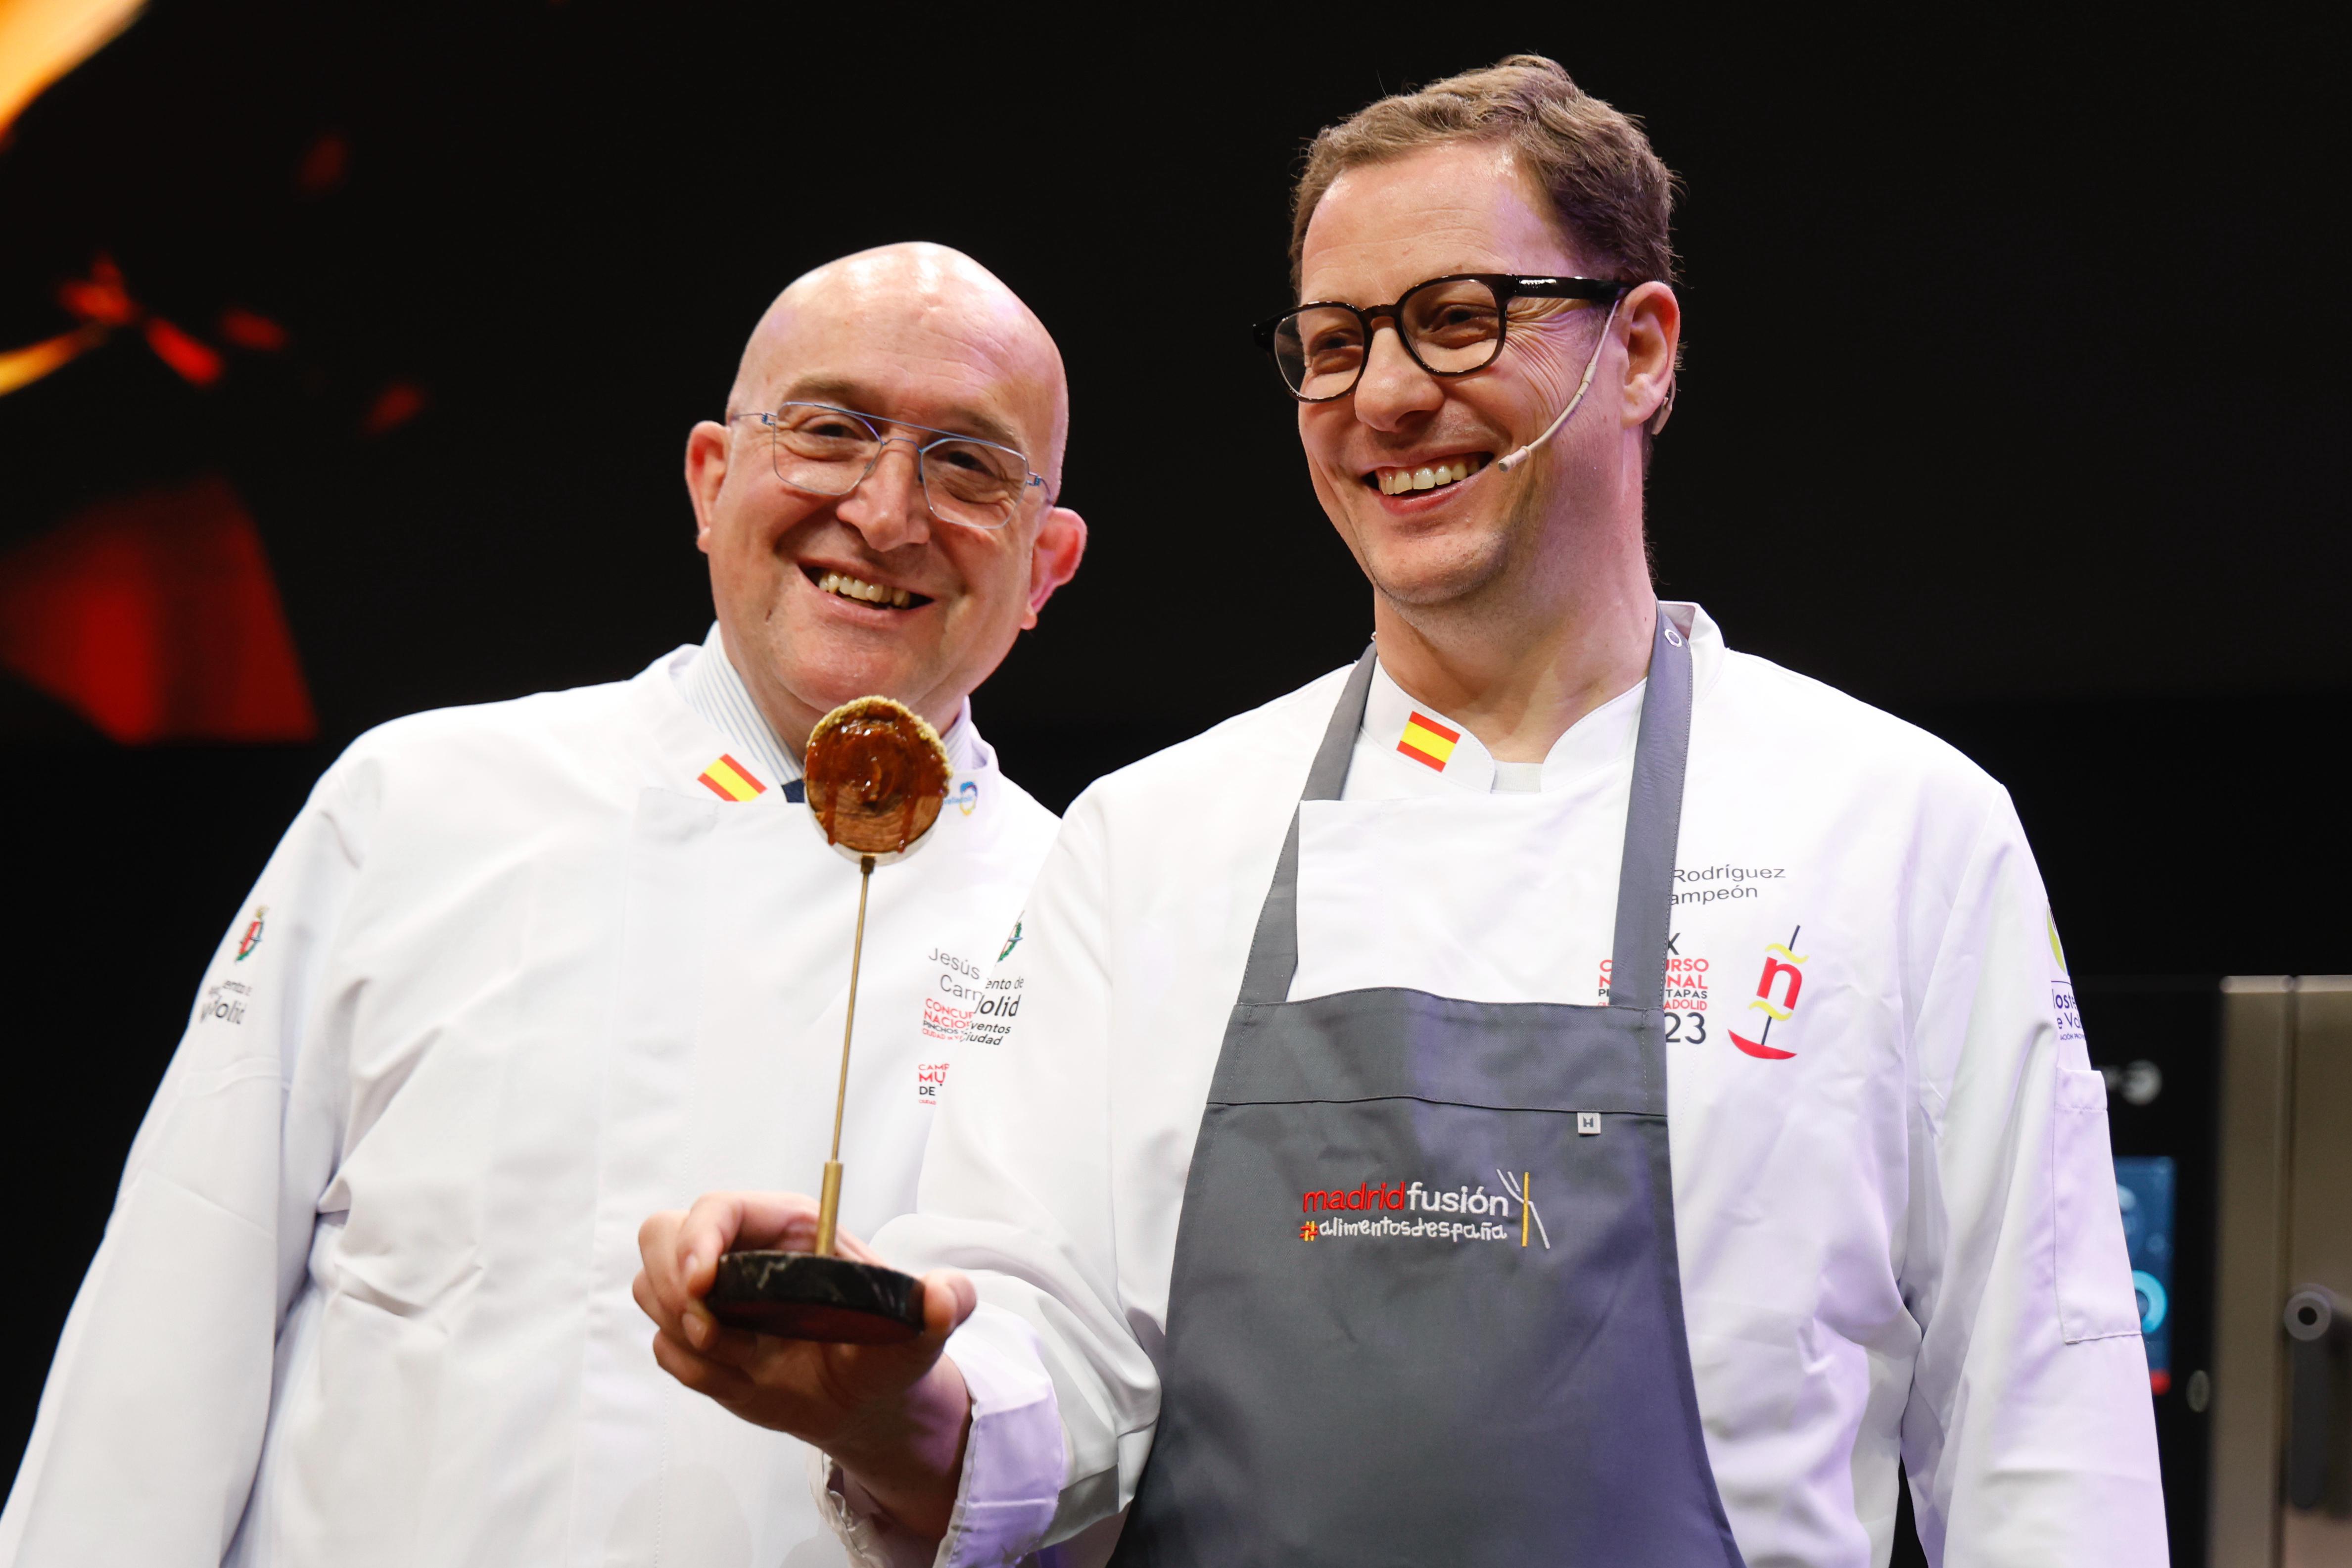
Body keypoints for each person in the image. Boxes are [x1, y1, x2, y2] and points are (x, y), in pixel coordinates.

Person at [634, 59, 2164, 1568]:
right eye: (1332, 342)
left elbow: (2043, 1426)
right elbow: (1042, 1360)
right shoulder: (1151, 840)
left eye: (1457, 317)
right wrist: (893, 1399)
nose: (1381, 395)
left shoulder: (1894, 828)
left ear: (1639, 349)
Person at [0, 241, 1086, 1567]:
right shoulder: (417, 802)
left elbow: (1087, 1437)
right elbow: (175, 1316)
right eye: (828, 431)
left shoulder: (1084, 913)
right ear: (711, 480)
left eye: (968, 465)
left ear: (1047, 564)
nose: (885, 509)